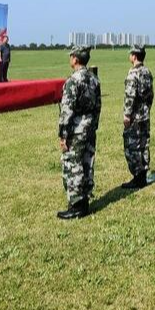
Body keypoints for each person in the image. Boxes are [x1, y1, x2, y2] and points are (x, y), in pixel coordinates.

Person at [56, 45, 102, 219]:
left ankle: (76, 205)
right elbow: (98, 106)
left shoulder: (73, 81)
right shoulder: (93, 79)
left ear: (75, 59)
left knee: (73, 164)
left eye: (71, 56)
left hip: (76, 129)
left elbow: (66, 111)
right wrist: (94, 125)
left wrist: (63, 135)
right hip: (89, 127)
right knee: (86, 162)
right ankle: (84, 200)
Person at [121, 45, 154, 189]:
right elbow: (151, 94)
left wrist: (127, 114)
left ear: (134, 56)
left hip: (135, 116)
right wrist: (146, 108)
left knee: (133, 146)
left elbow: (130, 96)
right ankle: (143, 174)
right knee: (144, 144)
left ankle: (137, 176)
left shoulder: (133, 73)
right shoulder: (147, 72)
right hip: (145, 113)